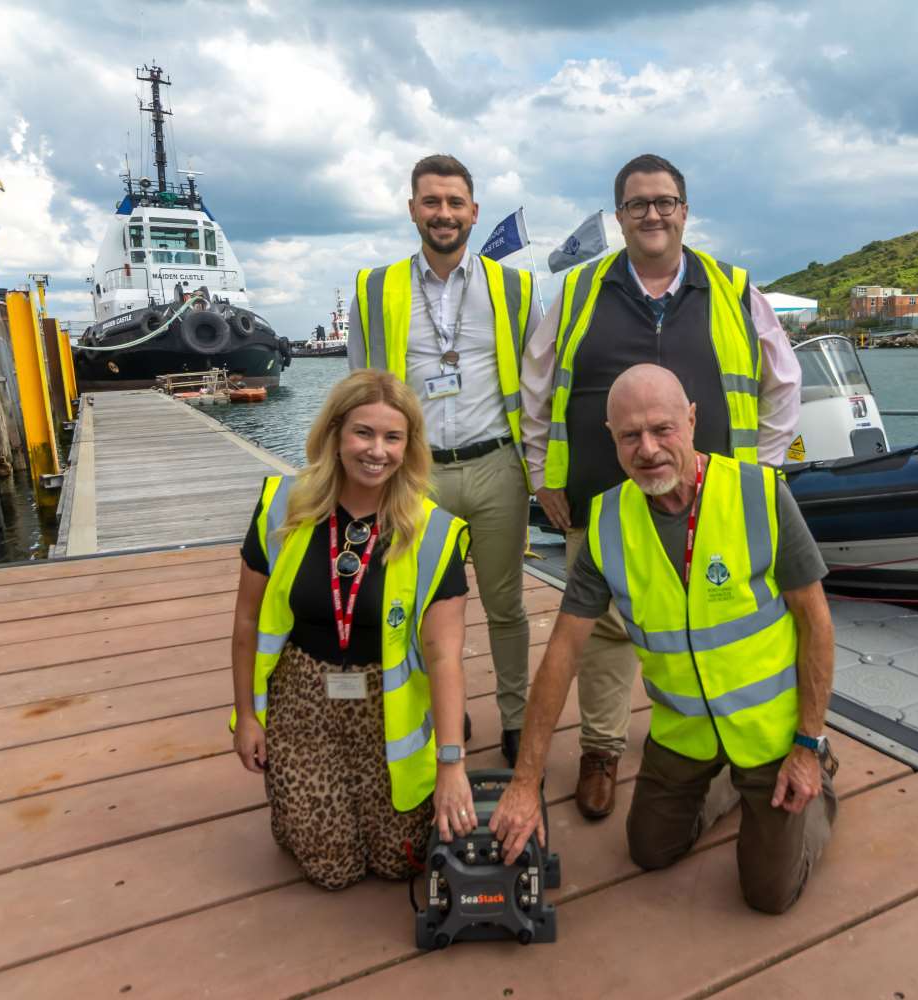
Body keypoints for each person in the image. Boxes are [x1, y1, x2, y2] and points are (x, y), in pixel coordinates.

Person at [493, 364, 836, 915]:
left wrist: (808, 743)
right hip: (684, 734)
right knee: (650, 850)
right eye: (630, 435)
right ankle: (730, 784)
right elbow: (562, 653)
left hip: (773, 733)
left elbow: (816, 625)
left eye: (663, 429)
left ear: (693, 420)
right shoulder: (605, 523)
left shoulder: (760, 495)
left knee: (769, 895)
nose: (647, 449)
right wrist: (525, 782)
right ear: (612, 438)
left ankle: (820, 783)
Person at [520, 153, 803, 818]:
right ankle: (601, 750)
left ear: (684, 210)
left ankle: (731, 746)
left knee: (723, 620)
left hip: (718, 502)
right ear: (619, 216)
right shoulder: (576, 292)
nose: (652, 214)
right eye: (638, 203)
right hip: (601, 493)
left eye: (665, 201)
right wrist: (542, 472)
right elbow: (535, 388)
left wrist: (762, 472)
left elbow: (783, 383)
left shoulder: (732, 289)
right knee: (605, 633)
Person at [230, 369, 476, 890]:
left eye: (393, 437)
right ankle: (296, 802)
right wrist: (248, 718)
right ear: (336, 433)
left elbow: (445, 655)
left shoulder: (433, 532)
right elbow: (247, 620)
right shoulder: (283, 506)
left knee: (398, 863)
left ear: (409, 447)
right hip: (304, 701)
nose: (377, 451)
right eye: (364, 433)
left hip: (385, 705)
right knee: (331, 869)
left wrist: (451, 763)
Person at [349, 153, 538, 768]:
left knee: (506, 604)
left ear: (474, 212)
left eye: (455, 203)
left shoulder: (514, 288)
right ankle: (442, 711)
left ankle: (515, 718)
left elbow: (537, 387)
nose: (444, 214)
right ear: (412, 209)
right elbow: (359, 387)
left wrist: (541, 470)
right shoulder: (375, 289)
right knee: (419, 606)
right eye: (431, 202)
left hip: (495, 467)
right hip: (416, 475)